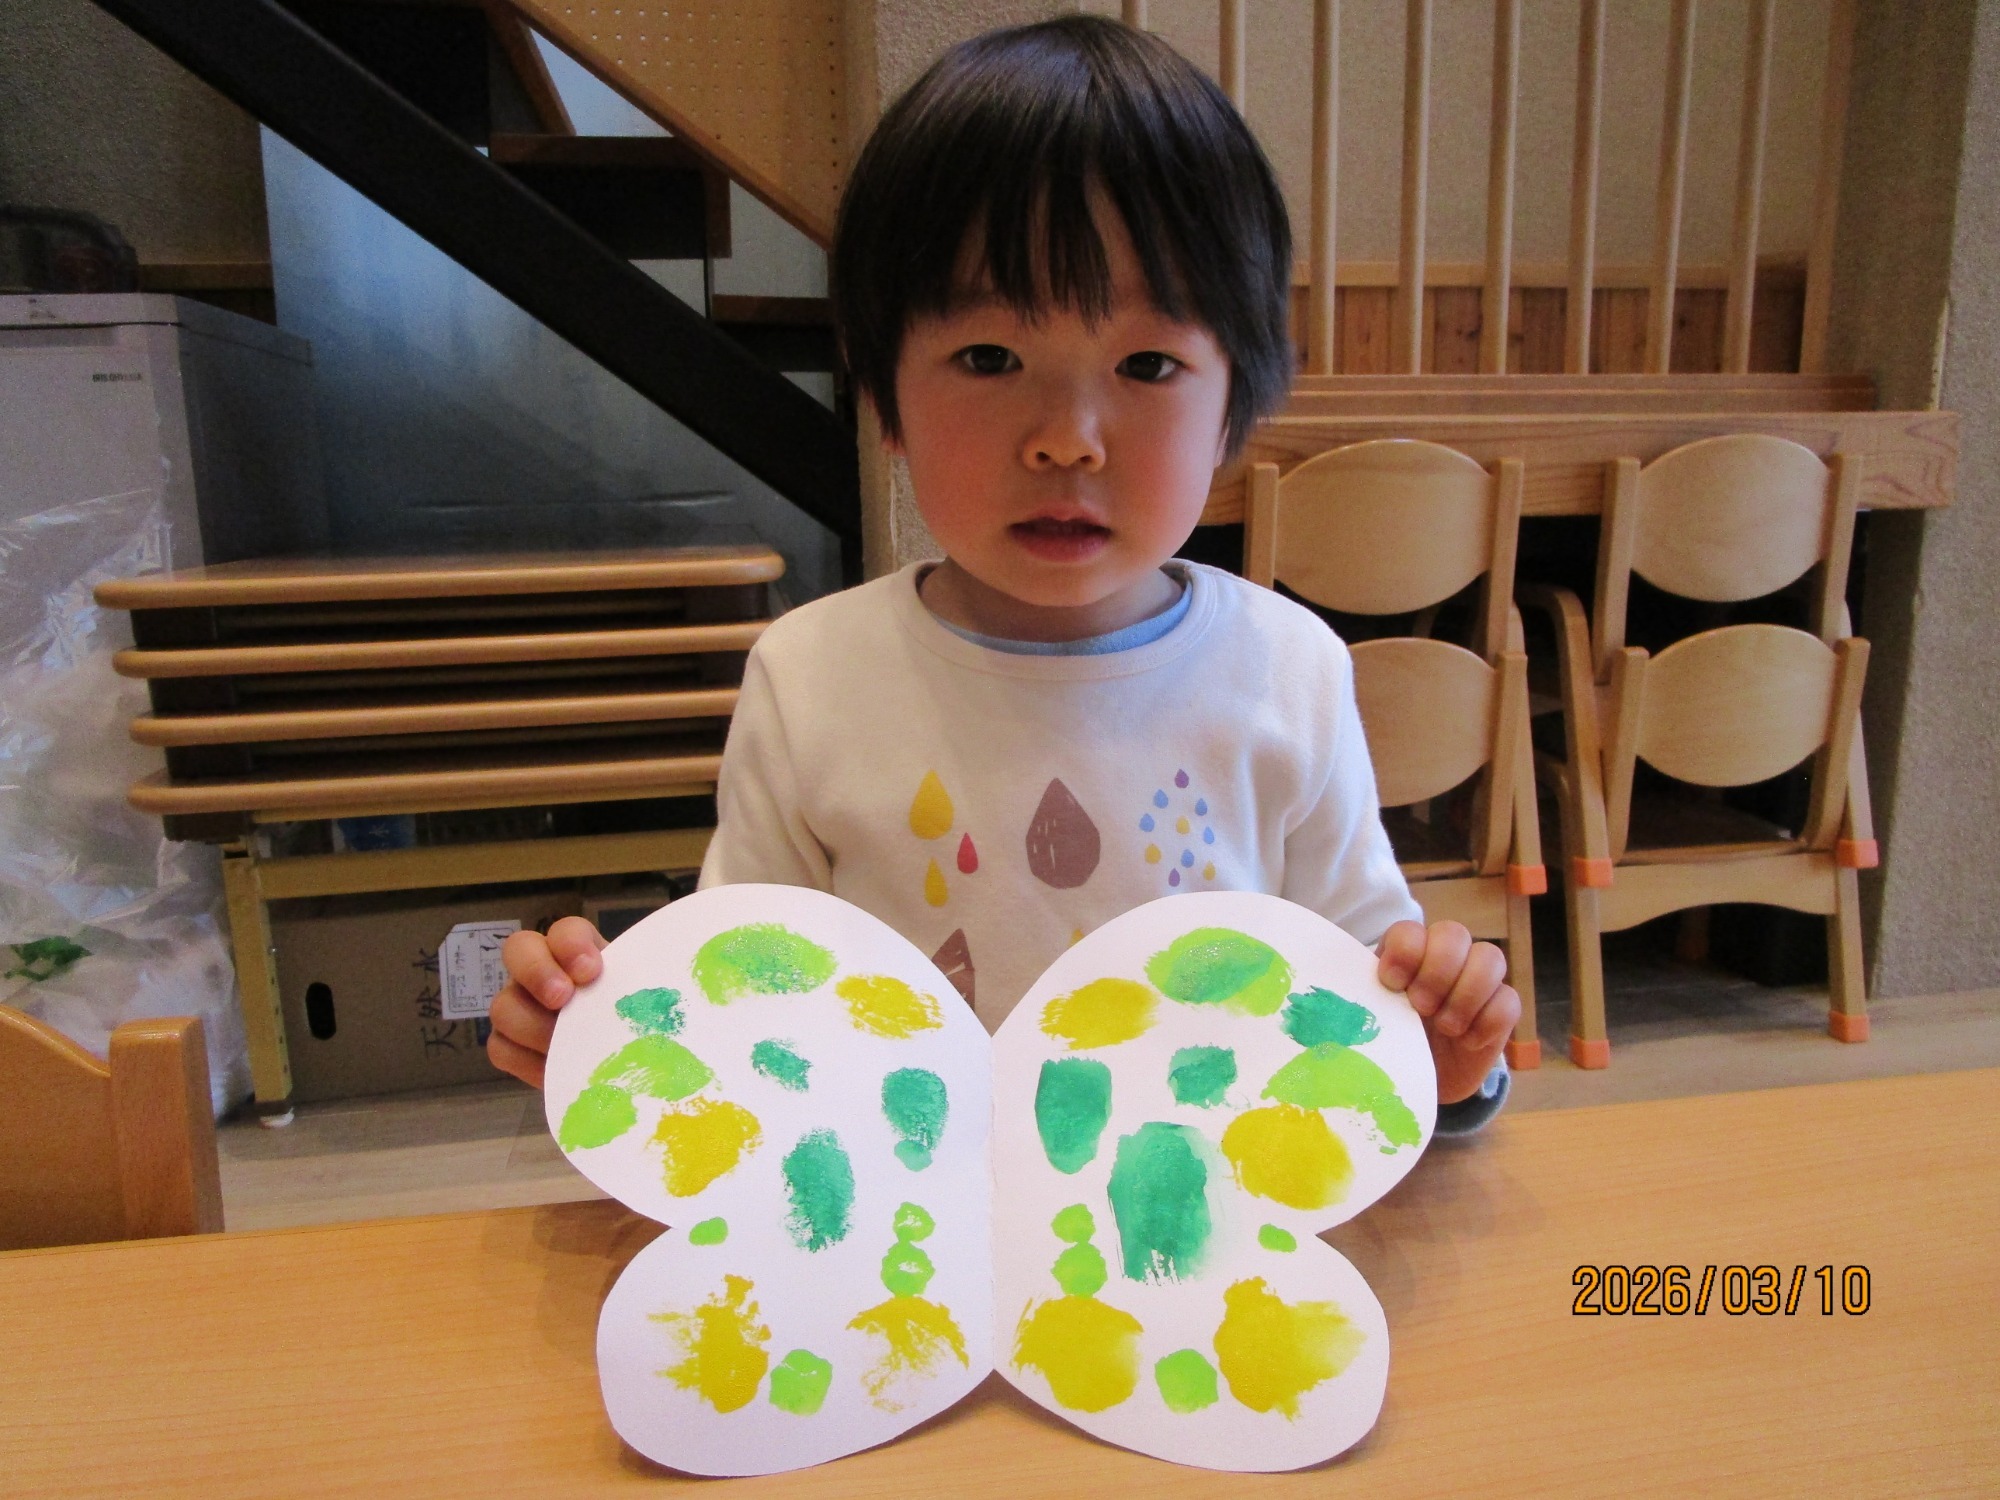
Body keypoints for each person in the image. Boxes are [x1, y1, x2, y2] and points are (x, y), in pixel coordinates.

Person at [489, 15, 1519, 1130]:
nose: (1067, 439)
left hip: (1193, 1211)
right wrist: (605, 1043)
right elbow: (741, 1007)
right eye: (989, 356)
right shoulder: (811, 676)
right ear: (883, 394)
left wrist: (1444, 1058)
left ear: (1233, 406)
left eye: (1146, 364)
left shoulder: (1289, 672)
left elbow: (1370, 1002)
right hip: (899, 1214)